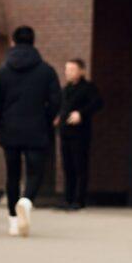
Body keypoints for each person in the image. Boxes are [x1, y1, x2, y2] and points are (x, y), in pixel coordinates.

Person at [0, 26, 61, 237]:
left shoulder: (2, 71)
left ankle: (12, 219)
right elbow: (56, 100)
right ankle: (27, 200)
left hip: (9, 128)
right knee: (35, 171)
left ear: (12, 42)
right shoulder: (46, 71)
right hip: (36, 127)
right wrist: (46, 120)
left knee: (12, 174)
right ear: (33, 41)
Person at [54, 58, 103, 211]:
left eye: (72, 69)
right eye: (67, 69)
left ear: (82, 71)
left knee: (79, 166)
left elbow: (98, 103)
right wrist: (58, 118)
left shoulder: (88, 88)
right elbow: (62, 107)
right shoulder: (65, 89)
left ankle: (79, 199)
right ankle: (67, 198)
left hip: (80, 133)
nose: (68, 73)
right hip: (65, 132)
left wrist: (81, 114)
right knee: (67, 166)